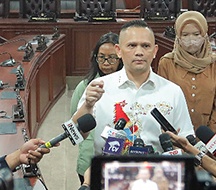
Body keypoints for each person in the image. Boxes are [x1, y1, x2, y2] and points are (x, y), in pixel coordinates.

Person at [74, 20, 195, 154]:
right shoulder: (99, 87)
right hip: (110, 171)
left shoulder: (173, 92)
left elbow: (187, 143)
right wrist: (88, 105)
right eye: (132, 45)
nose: (139, 52)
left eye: (145, 46)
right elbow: (77, 136)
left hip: (159, 172)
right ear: (118, 51)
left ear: (155, 51)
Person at [157, 11, 216, 133]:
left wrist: (210, 134)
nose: (191, 39)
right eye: (185, 35)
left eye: (196, 34)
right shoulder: (167, 63)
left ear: (205, 35)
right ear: (178, 36)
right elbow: (163, 103)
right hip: (176, 133)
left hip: (207, 134)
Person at [70, 32, 121, 182]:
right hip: (89, 160)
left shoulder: (128, 87)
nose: (106, 63)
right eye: (101, 57)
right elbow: (74, 126)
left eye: (112, 58)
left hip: (120, 160)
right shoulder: (85, 86)